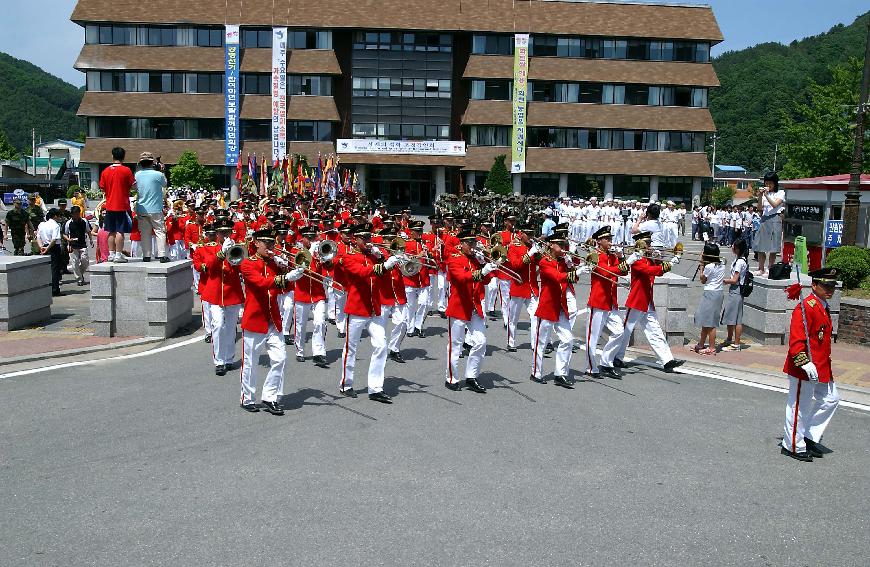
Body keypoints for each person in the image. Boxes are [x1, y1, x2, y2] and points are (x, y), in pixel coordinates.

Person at [599, 231, 684, 373]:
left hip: (648, 301)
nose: (650, 246)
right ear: (641, 244)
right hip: (637, 300)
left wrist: (666, 258)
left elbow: (658, 269)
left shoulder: (648, 258)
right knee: (626, 331)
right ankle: (616, 357)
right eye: (648, 244)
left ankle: (667, 360)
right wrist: (671, 262)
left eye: (650, 244)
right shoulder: (637, 260)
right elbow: (652, 271)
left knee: (655, 331)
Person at [780, 267, 840, 462]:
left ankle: (808, 436)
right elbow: (796, 342)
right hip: (804, 367)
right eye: (825, 285)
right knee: (799, 406)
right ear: (814, 285)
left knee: (831, 399)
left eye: (832, 285)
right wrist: (804, 363)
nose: (830, 289)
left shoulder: (822, 305)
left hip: (821, 366)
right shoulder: (805, 307)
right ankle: (793, 446)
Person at [238, 229, 300, 415]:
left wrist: (287, 269)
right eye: (267, 244)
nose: (271, 248)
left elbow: (285, 288)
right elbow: (260, 283)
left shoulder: (274, 263)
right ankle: (247, 398)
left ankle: (269, 396)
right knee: (250, 362)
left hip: (273, 318)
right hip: (255, 318)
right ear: (256, 243)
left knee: (280, 359)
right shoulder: (248, 264)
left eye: (272, 244)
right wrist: (283, 276)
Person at [337, 222, 400, 403]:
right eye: (363, 238)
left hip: (374, 308)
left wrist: (382, 258)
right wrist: (384, 264)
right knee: (351, 348)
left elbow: (386, 277)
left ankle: (375, 388)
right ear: (355, 240)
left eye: (369, 237)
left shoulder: (375, 256)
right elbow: (361, 273)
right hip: (357, 308)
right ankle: (346, 384)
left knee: (381, 345)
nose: (367, 240)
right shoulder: (349, 257)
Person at [444, 228, 496, 393]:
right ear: (462, 243)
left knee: (480, 341)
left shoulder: (475, 259)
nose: (474, 246)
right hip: (459, 306)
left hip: (475, 306)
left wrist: (487, 265)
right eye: (470, 243)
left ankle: (472, 376)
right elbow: (461, 278)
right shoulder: (454, 258)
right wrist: (482, 270)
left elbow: (486, 280)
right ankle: (451, 378)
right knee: (456, 345)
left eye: (474, 242)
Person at [530, 231, 580, 388]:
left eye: (564, 245)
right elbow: (557, 277)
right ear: (551, 245)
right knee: (541, 342)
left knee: (567, 339)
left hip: (560, 306)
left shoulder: (563, 261)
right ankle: (536, 372)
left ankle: (561, 373)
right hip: (547, 306)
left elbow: (574, 279)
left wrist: (572, 264)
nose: (564, 247)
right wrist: (574, 271)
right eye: (560, 244)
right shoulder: (545, 261)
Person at [200, 219, 245, 376]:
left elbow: (242, 268)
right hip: (216, 293)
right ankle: (219, 361)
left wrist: (235, 252)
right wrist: (221, 253)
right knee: (218, 325)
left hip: (232, 292)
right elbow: (208, 268)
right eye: (222, 232)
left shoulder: (237, 247)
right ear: (217, 234)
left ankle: (229, 359)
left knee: (231, 328)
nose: (225, 235)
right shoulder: (208, 248)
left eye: (227, 232)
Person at [583, 226, 628, 378]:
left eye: (610, 239)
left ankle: (606, 362)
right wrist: (622, 262)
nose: (610, 242)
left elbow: (624, 271)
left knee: (619, 332)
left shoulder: (612, 256)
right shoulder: (594, 256)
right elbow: (605, 272)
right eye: (607, 239)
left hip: (611, 302)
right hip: (598, 302)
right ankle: (591, 367)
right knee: (592, 338)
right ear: (599, 241)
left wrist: (622, 257)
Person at [98, 147, 135, 263]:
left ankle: (111, 254)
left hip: (109, 205)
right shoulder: (126, 170)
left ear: (112, 156)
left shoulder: (105, 171)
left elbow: (102, 188)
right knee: (120, 231)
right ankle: (119, 254)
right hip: (122, 205)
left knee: (111, 230)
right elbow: (133, 186)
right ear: (123, 157)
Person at [134, 152, 169, 263]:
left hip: (142, 208)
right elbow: (165, 184)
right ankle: (162, 255)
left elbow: (134, 187)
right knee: (160, 231)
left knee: (145, 233)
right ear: (152, 162)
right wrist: (162, 171)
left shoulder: (137, 175)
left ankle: (146, 256)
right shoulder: (158, 175)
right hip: (156, 208)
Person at [692, 243, 725, 355]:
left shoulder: (709, 267)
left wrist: (701, 266)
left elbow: (703, 280)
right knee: (706, 320)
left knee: (710, 322)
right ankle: (701, 344)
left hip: (711, 293)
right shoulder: (722, 264)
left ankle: (711, 347)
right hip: (717, 293)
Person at [720, 238, 749, 351]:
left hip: (736, 290)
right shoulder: (740, 259)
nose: (732, 247)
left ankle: (736, 344)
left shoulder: (740, 262)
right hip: (735, 290)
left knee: (736, 318)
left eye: (734, 246)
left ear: (738, 248)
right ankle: (729, 339)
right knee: (731, 316)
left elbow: (734, 279)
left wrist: (723, 280)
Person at [755, 172, 785, 276]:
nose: (768, 185)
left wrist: (766, 195)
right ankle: (761, 268)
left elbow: (774, 205)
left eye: (770, 183)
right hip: (764, 219)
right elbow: (759, 208)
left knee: (773, 247)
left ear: (775, 183)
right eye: (766, 183)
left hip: (775, 218)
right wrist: (760, 196)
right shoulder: (763, 195)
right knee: (760, 245)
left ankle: (770, 268)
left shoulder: (780, 193)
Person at [36, 208, 64, 296]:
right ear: (55, 216)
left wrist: (41, 247)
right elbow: (54, 240)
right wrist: (47, 248)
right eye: (59, 216)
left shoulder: (42, 224)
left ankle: (46, 288)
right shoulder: (56, 225)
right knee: (54, 269)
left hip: (43, 246)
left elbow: (38, 236)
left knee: (46, 269)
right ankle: (55, 289)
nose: (60, 217)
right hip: (53, 248)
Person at [64, 206, 93, 286]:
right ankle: (79, 279)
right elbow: (65, 233)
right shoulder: (68, 223)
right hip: (73, 245)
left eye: (77, 214)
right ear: (72, 214)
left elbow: (88, 231)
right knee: (74, 263)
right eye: (74, 214)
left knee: (85, 261)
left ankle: (80, 273)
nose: (76, 215)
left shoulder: (84, 221)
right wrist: (68, 240)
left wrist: (91, 240)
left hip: (83, 244)